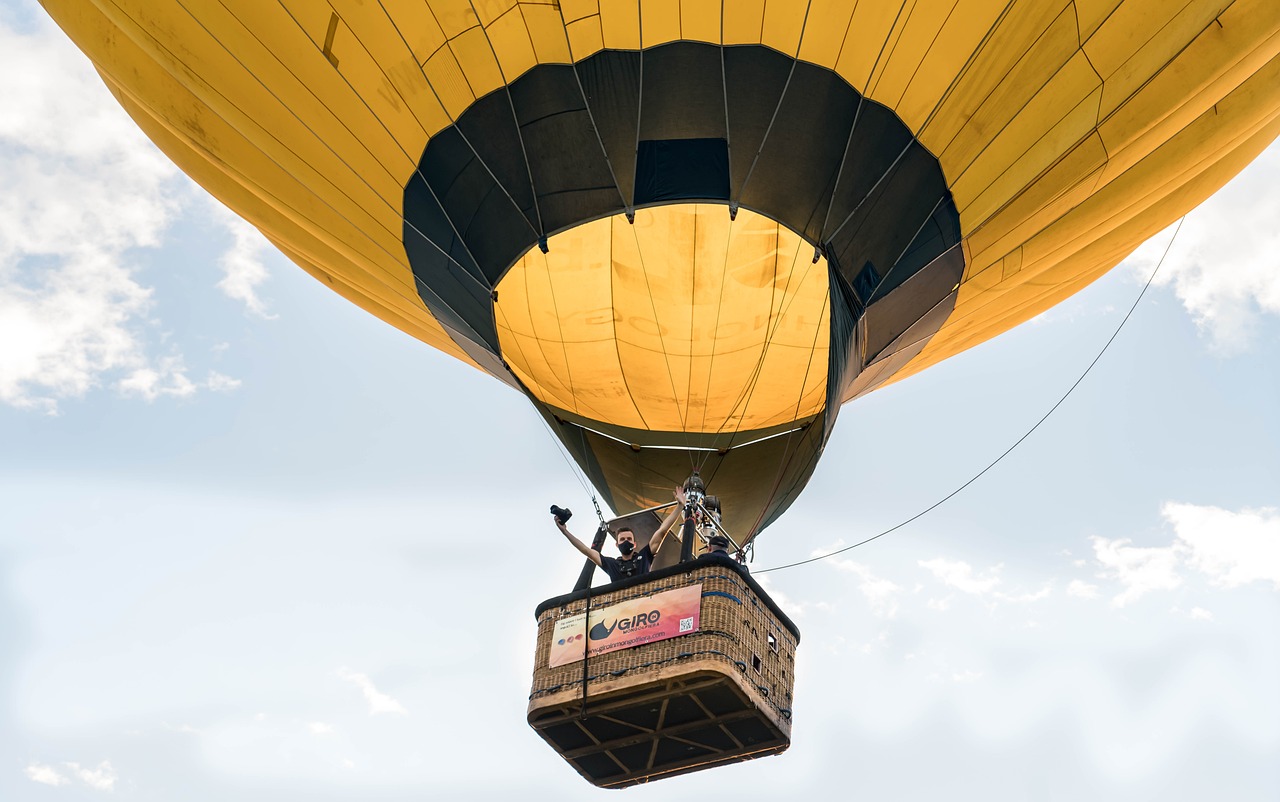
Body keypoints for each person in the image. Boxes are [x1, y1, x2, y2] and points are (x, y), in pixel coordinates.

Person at [555, 488, 686, 583]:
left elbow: (662, 531)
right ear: (617, 544)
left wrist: (679, 507)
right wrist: (565, 532)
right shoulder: (611, 564)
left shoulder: (645, 555)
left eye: (629, 539)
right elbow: (586, 550)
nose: (626, 541)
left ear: (635, 544)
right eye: (622, 539)